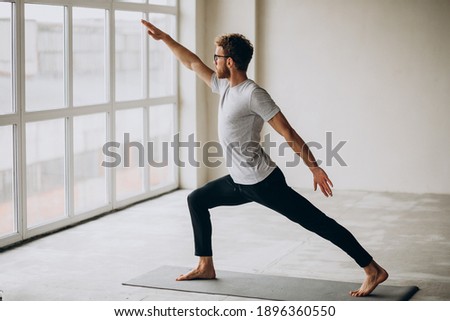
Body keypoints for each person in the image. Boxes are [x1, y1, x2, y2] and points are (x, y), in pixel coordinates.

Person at [141, 19, 388, 297]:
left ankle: (372, 269)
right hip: (239, 180)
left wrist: (314, 167)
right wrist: (165, 38)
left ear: (231, 62)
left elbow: (287, 131)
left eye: (218, 56)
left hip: (263, 182)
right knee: (197, 199)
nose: (214, 61)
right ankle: (205, 265)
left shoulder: (253, 94)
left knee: (317, 222)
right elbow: (192, 63)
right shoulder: (223, 87)